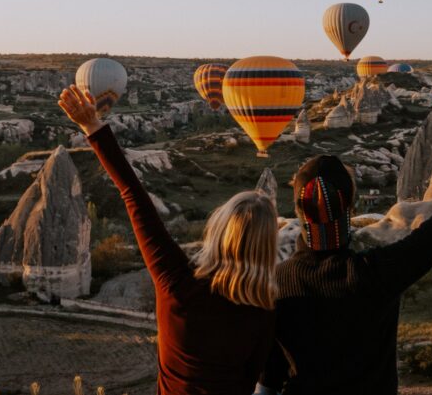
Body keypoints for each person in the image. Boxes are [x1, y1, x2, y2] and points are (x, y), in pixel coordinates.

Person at [258, 108, 432, 395]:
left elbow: (269, 379)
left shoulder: (276, 284)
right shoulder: (374, 273)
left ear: (298, 210)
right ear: (350, 209)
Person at [58, 85, 278, 395]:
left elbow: (133, 195)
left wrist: (91, 125)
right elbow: (253, 379)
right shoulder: (263, 312)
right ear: (267, 248)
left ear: (219, 230)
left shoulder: (177, 282)